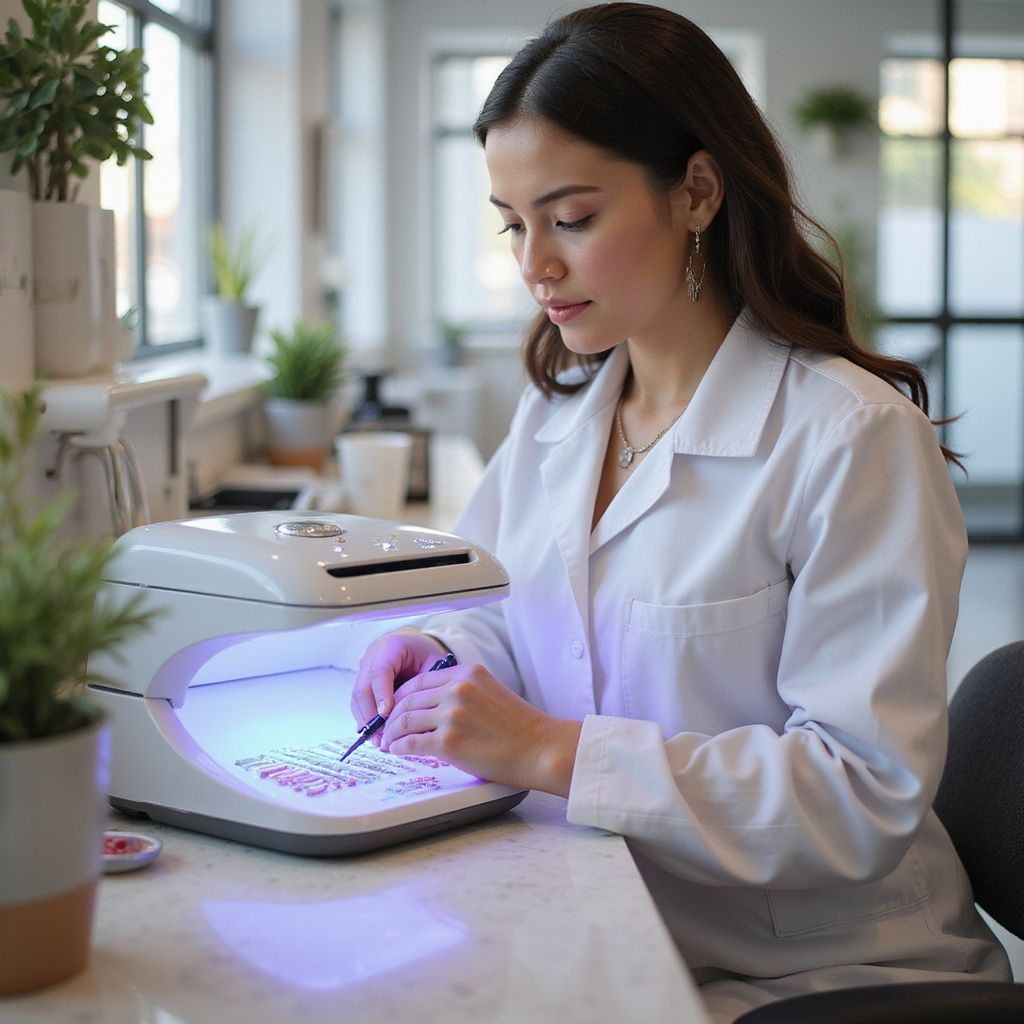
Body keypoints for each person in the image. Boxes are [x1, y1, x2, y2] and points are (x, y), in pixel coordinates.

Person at [350, 3, 1012, 1020]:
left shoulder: (848, 437)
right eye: (513, 223)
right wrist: (437, 651)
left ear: (696, 190)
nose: (535, 265)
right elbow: (512, 605)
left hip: (819, 975)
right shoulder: (559, 411)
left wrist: (546, 750)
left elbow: (858, 791)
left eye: (570, 218)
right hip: (613, 918)